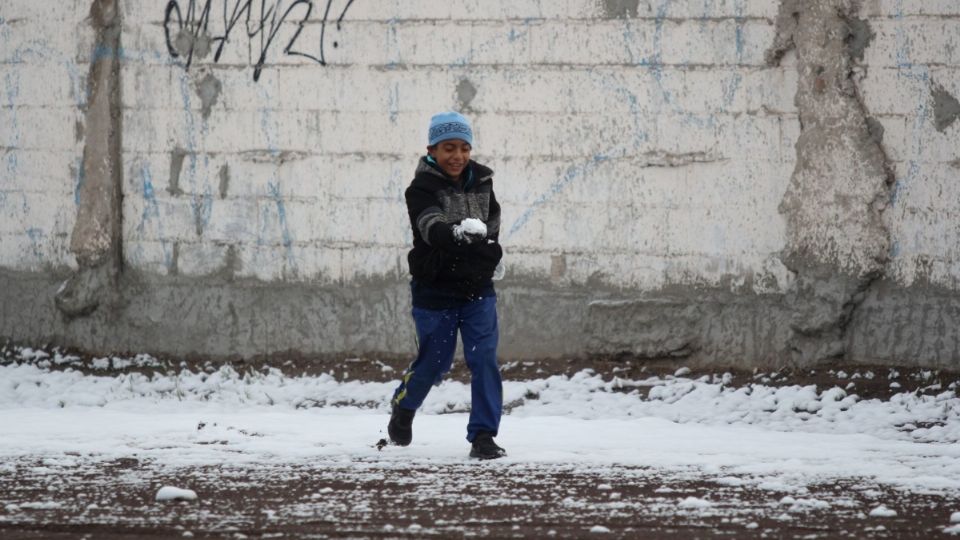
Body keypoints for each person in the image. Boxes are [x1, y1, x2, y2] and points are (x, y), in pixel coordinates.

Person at [386, 111, 506, 460]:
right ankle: (404, 406)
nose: (457, 156)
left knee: (483, 358)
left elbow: (493, 228)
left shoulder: (483, 182)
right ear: (432, 150)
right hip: (434, 289)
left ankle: (483, 436)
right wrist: (457, 234)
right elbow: (431, 228)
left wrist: (489, 252)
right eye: (449, 148)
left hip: (476, 290)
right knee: (435, 363)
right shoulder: (421, 188)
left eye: (464, 148)